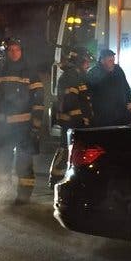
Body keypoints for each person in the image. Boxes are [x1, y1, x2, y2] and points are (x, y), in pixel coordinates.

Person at [0, 37, 44, 204]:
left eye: (17, 49)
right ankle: (3, 192)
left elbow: (39, 100)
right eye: (11, 50)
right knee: (1, 161)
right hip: (1, 127)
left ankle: (24, 195)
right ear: (4, 53)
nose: (14, 53)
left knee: (24, 161)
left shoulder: (30, 73)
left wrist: (36, 124)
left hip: (23, 127)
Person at [49, 46, 93, 187]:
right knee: (65, 149)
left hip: (74, 121)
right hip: (71, 121)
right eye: (86, 62)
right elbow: (70, 102)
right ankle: (56, 179)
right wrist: (83, 118)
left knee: (70, 149)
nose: (88, 65)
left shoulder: (77, 75)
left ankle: (62, 178)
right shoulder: (71, 77)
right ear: (80, 62)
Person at [86, 49, 131, 127]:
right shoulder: (93, 73)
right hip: (103, 116)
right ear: (102, 60)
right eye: (110, 60)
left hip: (121, 114)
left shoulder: (118, 70)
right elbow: (89, 94)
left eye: (113, 60)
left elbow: (126, 87)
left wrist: (130, 101)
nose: (112, 63)